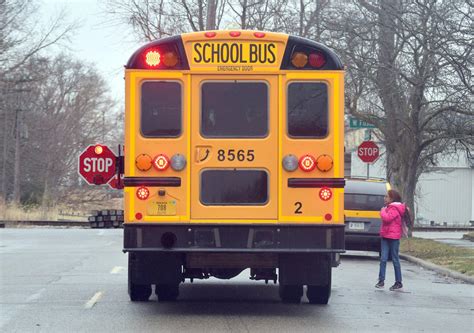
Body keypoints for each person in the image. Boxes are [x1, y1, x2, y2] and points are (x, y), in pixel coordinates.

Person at [375, 189, 405, 291]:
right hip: (385, 236)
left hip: (393, 238)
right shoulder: (389, 207)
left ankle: (398, 282)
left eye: (386, 196)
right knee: (383, 259)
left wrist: (382, 211)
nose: (384, 198)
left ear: (392, 198)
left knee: (395, 259)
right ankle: (381, 280)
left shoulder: (395, 208)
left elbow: (387, 219)